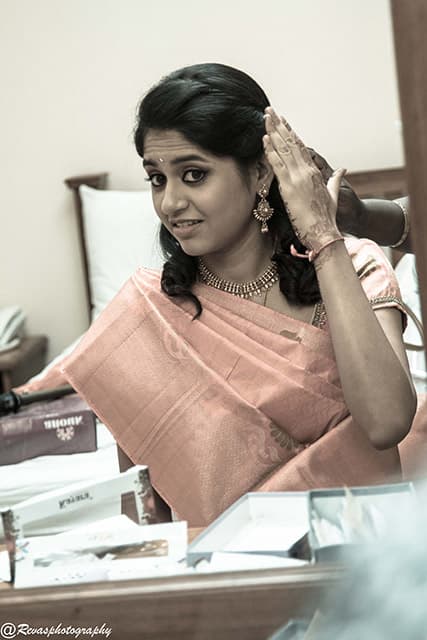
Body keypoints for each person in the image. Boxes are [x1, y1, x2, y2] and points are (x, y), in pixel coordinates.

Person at [20, 63, 417, 527]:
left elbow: (387, 421)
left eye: (194, 175)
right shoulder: (151, 319)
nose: (170, 203)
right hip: (219, 565)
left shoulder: (352, 267)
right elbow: (147, 515)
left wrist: (323, 239)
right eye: (157, 178)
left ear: (261, 173)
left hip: (366, 551)